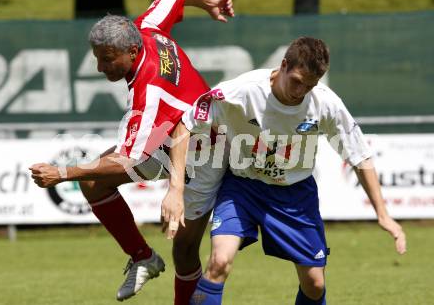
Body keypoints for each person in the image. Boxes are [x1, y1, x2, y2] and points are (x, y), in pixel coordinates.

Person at [29, 0, 234, 302]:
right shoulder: (146, 27)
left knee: (184, 248)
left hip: (205, 150)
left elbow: (127, 159)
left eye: (107, 59)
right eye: (97, 57)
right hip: (168, 136)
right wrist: (206, 1)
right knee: (94, 182)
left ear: (132, 51)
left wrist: (62, 173)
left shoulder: (148, 93)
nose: (100, 67)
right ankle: (143, 257)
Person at [172, 36, 408, 304]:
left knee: (315, 284)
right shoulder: (242, 90)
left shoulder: (325, 103)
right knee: (219, 262)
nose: (301, 91)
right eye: (297, 81)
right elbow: (185, 124)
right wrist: (176, 189)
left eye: (310, 85)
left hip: (294, 196)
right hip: (242, 187)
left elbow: (359, 155)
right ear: (283, 65)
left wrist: (383, 214)